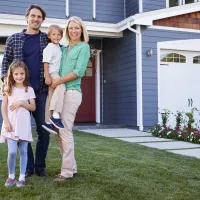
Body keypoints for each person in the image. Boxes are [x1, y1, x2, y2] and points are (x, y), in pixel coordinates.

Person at [1, 4, 49, 177]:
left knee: (43, 130)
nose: (36, 19)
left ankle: (40, 166)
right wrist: (5, 85)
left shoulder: (46, 40)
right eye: (33, 16)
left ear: (42, 20)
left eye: (39, 17)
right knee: (22, 130)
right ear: (27, 17)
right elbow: (5, 64)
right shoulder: (13, 39)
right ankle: (28, 167)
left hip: (41, 92)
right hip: (19, 92)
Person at [51, 16, 90, 181]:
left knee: (65, 131)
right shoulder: (63, 48)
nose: (74, 31)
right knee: (58, 134)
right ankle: (71, 167)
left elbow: (78, 71)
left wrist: (58, 81)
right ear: (67, 30)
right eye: (71, 28)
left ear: (82, 30)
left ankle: (66, 172)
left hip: (72, 92)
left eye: (77, 28)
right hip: (60, 92)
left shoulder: (84, 47)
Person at [0, 60, 36, 187]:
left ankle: (21, 177)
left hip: (24, 126)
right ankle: (11, 176)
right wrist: (6, 122)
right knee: (12, 152)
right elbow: (3, 107)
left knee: (24, 151)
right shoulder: (8, 89)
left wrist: (21, 103)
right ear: (12, 74)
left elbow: (33, 107)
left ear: (25, 74)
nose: (19, 76)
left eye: (22, 74)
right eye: (16, 74)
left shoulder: (29, 89)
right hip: (11, 125)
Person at [42, 25, 66, 134]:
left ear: (61, 36)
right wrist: (47, 76)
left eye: (58, 34)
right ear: (49, 36)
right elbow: (45, 62)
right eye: (53, 34)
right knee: (61, 86)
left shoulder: (58, 47)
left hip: (54, 73)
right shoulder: (50, 47)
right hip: (52, 73)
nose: (56, 36)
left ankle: (47, 121)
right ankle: (56, 114)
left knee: (50, 96)